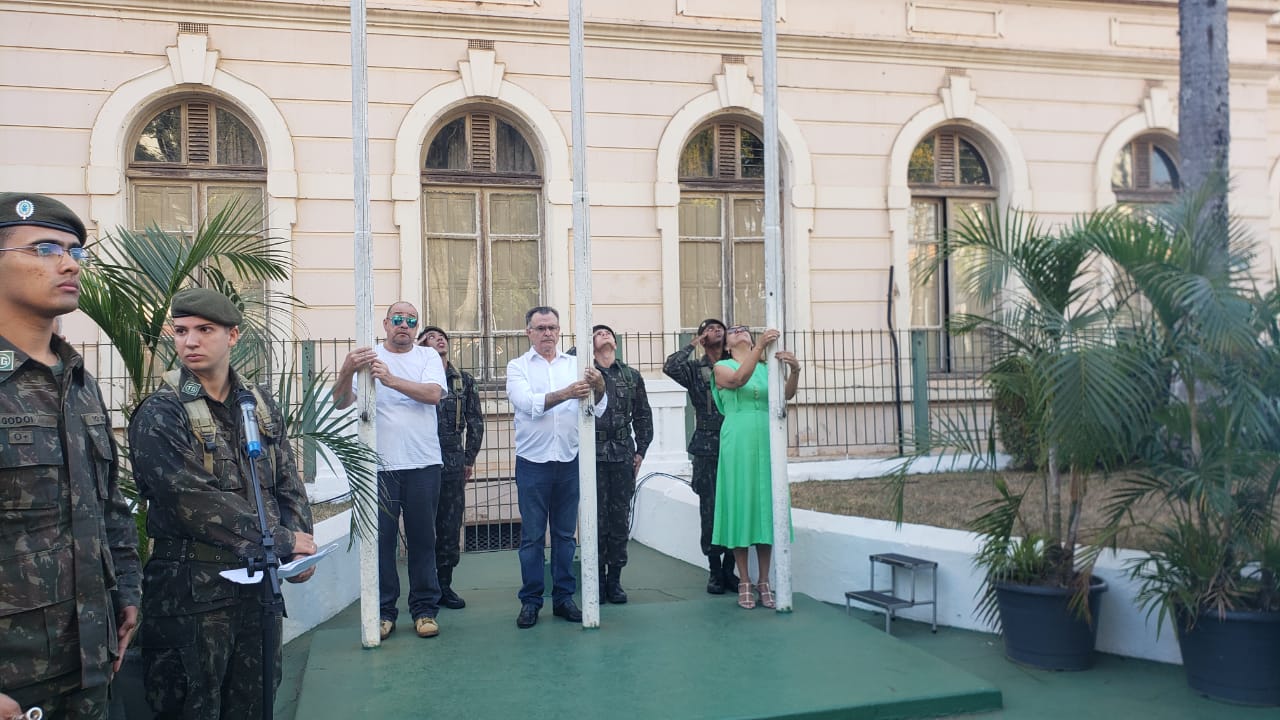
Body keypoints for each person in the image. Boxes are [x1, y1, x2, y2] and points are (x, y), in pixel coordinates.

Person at [129, 287, 316, 719]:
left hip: (257, 592)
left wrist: (300, 543)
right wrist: (283, 540)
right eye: (181, 331)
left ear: (232, 336)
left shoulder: (257, 404)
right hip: (190, 596)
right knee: (192, 707)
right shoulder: (162, 412)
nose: (190, 341)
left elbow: (287, 480)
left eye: (204, 330)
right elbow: (191, 499)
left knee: (255, 704)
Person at [0, 193, 140, 719]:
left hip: (90, 664)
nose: (69, 264)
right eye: (44, 249)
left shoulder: (79, 383)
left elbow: (108, 506)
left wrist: (127, 592)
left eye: (75, 252)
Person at [334, 302, 448, 640]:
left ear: (417, 327)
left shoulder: (427, 356)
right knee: (381, 541)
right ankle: (384, 612)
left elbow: (433, 394)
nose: (404, 325)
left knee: (423, 539)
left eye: (411, 320)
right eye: (397, 319)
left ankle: (424, 610)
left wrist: (391, 380)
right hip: (380, 466)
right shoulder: (368, 358)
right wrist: (346, 370)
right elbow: (340, 402)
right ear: (385, 323)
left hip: (423, 462)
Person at [506, 306, 606, 628]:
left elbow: (598, 408)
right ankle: (531, 601)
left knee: (565, 536)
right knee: (533, 537)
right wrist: (567, 393)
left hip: (568, 459)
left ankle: (564, 598)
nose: (547, 333)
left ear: (559, 331)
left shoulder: (576, 365)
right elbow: (527, 404)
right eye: (541, 328)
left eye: (552, 327)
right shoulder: (517, 367)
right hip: (533, 463)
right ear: (529, 332)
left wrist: (600, 386)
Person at [711, 325, 800, 610]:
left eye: (744, 329)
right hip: (738, 439)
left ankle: (764, 580)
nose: (740, 331)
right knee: (741, 504)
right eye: (734, 331)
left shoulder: (766, 368)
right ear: (727, 345)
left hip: (767, 437)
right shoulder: (722, 367)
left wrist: (795, 371)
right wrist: (760, 346)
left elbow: (785, 396)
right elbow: (738, 380)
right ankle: (744, 580)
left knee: (766, 506)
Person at [663, 318, 739, 594]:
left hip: (735, 440)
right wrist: (694, 343)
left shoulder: (737, 364)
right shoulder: (695, 369)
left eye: (720, 328)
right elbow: (670, 366)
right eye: (709, 329)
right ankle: (715, 570)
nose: (715, 331)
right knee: (710, 509)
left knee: (735, 505)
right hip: (707, 445)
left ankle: (731, 568)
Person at [417, 325, 485, 610]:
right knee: (422, 526)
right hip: (420, 458)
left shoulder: (463, 381)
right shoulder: (416, 377)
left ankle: (444, 585)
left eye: (442, 336)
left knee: (449, 525)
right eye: (431, 337)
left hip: (452, 460)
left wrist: (469, 458)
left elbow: (476, 421)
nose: (439, 339)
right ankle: (424, 587)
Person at [590, 324, 653, 604]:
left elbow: (643, 415)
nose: (605, 335)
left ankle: (614, 579)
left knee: (619, 519)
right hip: (593, 454)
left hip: (622, 454)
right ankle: (596, 578)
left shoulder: (630, 376)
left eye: (608, 333)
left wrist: (641, 451)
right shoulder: (584, 372)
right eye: (598, 333)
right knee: (595, 519)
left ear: (616, 343)